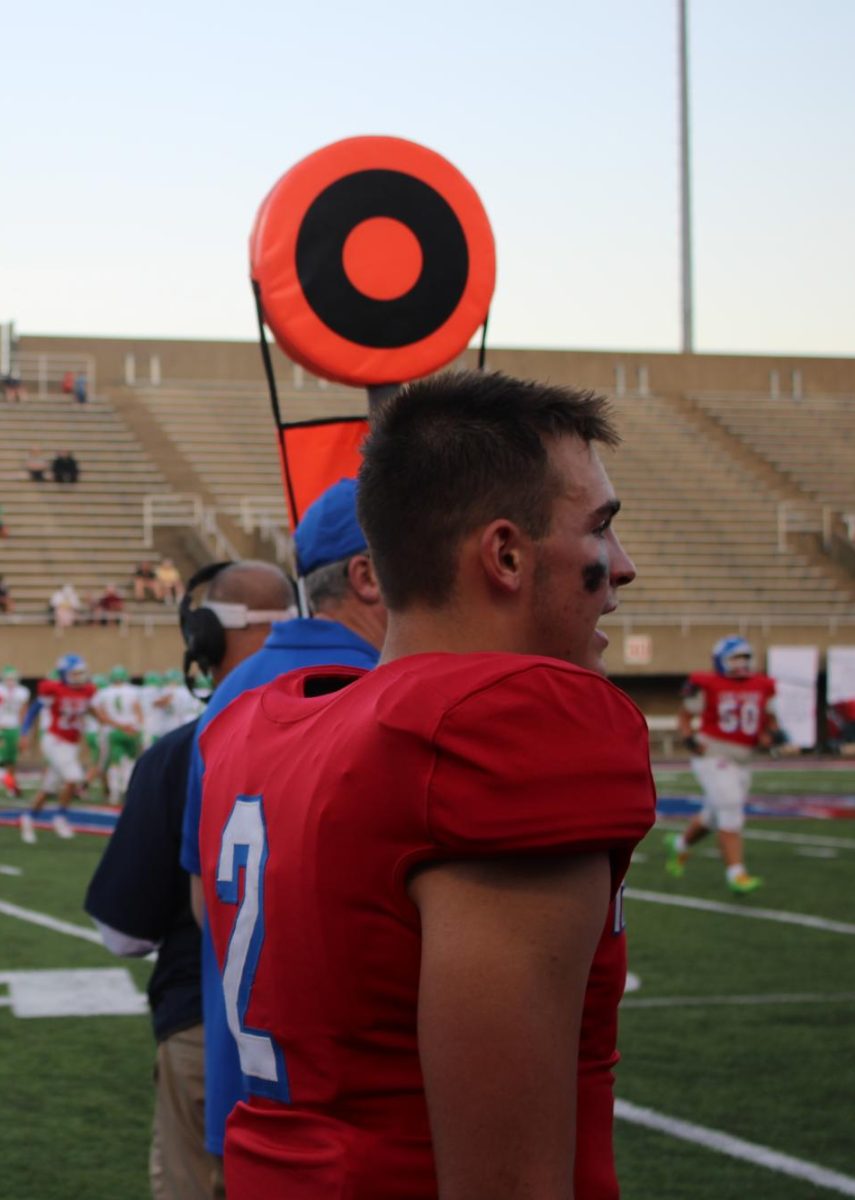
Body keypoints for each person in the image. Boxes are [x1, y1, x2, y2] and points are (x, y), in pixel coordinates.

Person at [197, 370, 655, 1200]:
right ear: (506, 554)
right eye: (601, 529)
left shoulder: (260, 725)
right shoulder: (498, 727)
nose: (622, 567)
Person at [180, 481, 386, 1172]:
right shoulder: (389, 693)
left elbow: (202, 901)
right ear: (368, 576)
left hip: (249, 1092)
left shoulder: (231, 693)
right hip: (358, 1115)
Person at [84, 561, 294, 1200]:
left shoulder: (184, 751)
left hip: (212, 1024)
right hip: (348, 1035)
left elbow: (122, 934)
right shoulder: (366, 720)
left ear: (205, 636)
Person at [666, 634, 788, 894]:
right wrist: (688, 738)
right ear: (721, 661)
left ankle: (680, 844)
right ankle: (737, 874)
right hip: (713, 753)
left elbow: (769, 721)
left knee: (713, 816)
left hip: (744, 757)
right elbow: (686, 716)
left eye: (745, 657)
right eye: (734, 658)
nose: (740, 663)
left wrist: (773, 735)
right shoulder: (706, 683)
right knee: (730, 806)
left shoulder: (763, 685)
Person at [19, 653, 96, 842]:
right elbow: (34, 709)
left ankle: (28, 818)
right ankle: (60, 817)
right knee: (74, 777)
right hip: (54, 741)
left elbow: (90, 710)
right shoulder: (53, 689)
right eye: (75, 674)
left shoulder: (87, 691)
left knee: (48, 788)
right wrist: (24, 733)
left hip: (71, 744)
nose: (79, 677)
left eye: (80, 673)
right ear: (64, 674)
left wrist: (109, 722)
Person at [93, 665, 144, 804]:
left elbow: (101, 716)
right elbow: (139, 711)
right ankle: (128, 790)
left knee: (114, 763)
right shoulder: (134, 691)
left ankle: (115, 793)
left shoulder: (103, 693)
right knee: (130, 762)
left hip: (113, 731)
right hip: (131, 729)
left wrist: (118, 726)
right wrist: (134, 727)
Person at [0, 666, 30, 798]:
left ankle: (11, 786)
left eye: (13, 678)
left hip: (14, 728)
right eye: (8, 678)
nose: (10, 681)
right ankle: (11, 784)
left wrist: (23, 732)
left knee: (10, 761)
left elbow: (23, 713)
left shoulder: (22, 692)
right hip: (1, 727)